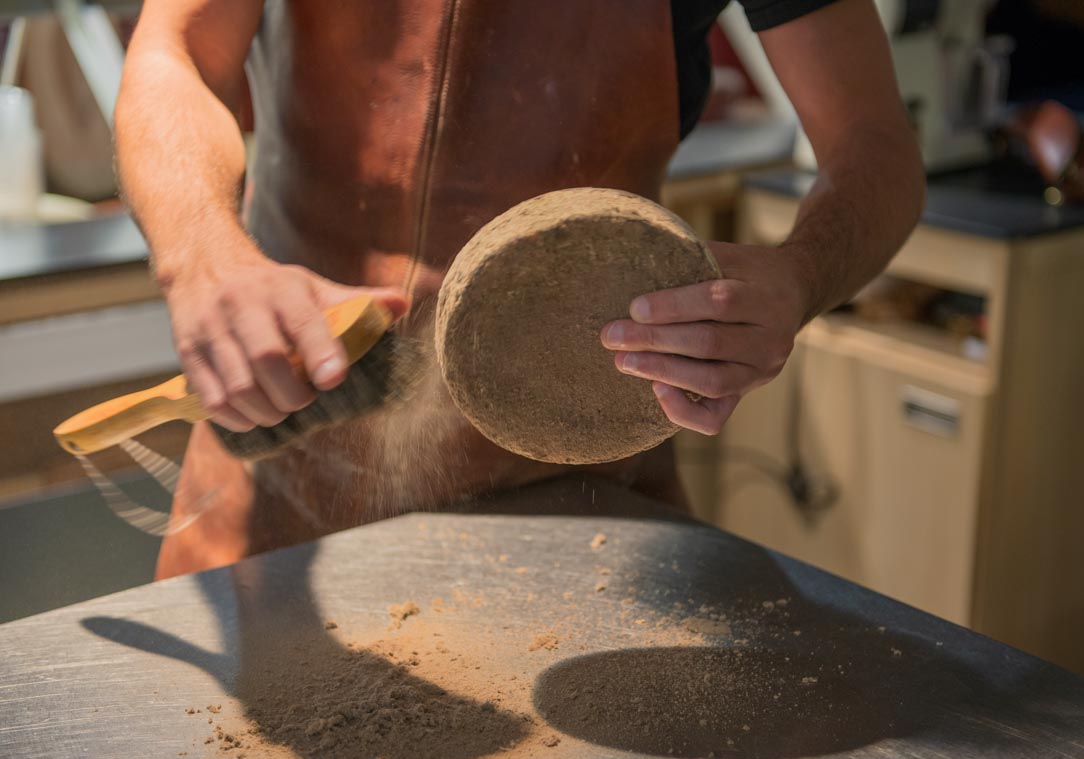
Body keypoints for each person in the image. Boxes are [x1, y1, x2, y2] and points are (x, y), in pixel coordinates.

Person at [115, 0, 924, 579]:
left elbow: (873, 146)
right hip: (276, 467)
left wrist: (799, 275)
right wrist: (205, 257)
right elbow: (176, 50)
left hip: (582, 504)